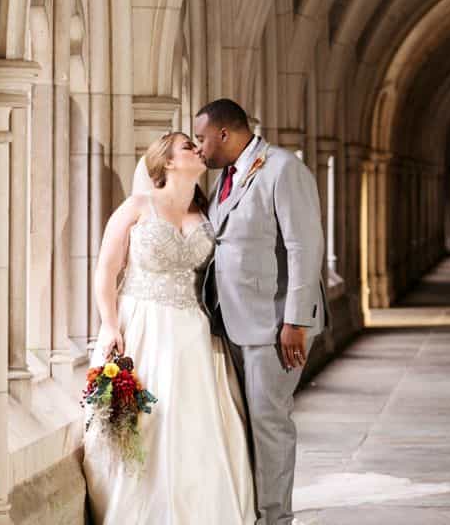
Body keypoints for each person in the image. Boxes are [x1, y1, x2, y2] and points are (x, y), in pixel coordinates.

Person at [83, 132, 256, 525]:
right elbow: (106, 269)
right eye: (186, 146)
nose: (197, 149)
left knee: (198, 428)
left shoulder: (208, 213)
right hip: (144, 326)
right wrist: (110, 325)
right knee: (149, 423)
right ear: (167, 162)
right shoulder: (137, 206)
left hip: (194, 331)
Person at [194, 99, 328, 525]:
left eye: (201, 138)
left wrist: (296, 321)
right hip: (232, 320)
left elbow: (304, 247)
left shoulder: (283, 169)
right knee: (245, 424)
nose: (199, 148)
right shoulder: (227, 179)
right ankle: (253, 511)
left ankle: (276, 519)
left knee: (269, 423)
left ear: (224, 134)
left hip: (274, 325)